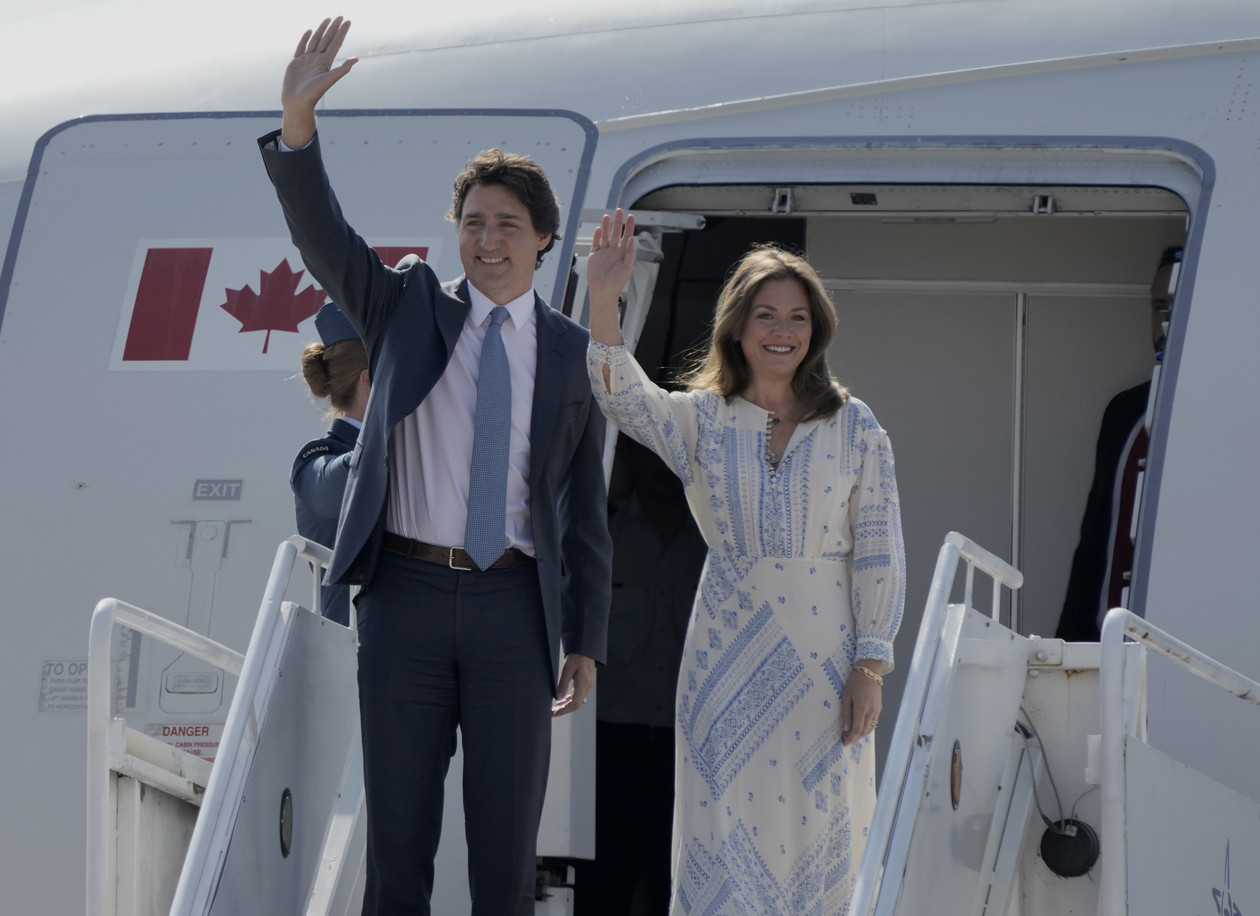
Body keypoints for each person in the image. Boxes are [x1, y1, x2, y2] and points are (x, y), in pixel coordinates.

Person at [258, 18, 612, 915]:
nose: (486, 240)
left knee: (504, 855)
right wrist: (298, 127)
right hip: (406, 603)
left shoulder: (571, 354)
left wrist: (585, 640)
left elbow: (585, 511)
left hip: (511, 610)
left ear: (542, 239)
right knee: (398, 846)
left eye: (507, 225)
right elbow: (323, 237)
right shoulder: (406, 306)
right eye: (472, 223)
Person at [585, 210, 906, 914]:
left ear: (815, 328)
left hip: (827, 664)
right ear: (738, 325)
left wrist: (870, 665)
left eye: (796, 315)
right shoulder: (701, 418)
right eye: (766, 314)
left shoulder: (855, 424)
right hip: (725, 659)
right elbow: (622, 397)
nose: (782, 330)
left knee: (823, 830)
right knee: (724, 830)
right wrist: (604, 300)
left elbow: (880, 549)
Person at [576, 437, 707, 914]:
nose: (660, 465)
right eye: (647, 451)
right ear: (629, 454)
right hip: (612, 748)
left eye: (670, 451)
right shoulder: (599, 536)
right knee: (602, 885)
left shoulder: (719, 546)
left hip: (689, 751)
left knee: (678, 887)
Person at [1056, 245, 1182, 641]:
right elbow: (1096, 535)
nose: (1164, 323)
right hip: (1105, 640)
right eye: (1158, 306)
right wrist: (1071, 637)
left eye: (1177, 306)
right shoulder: (1126, 411)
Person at [292, 301, 369, 627]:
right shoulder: (321, 457)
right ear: (370, 382)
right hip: (353, 645)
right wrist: (390, 427)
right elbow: (330, 493)